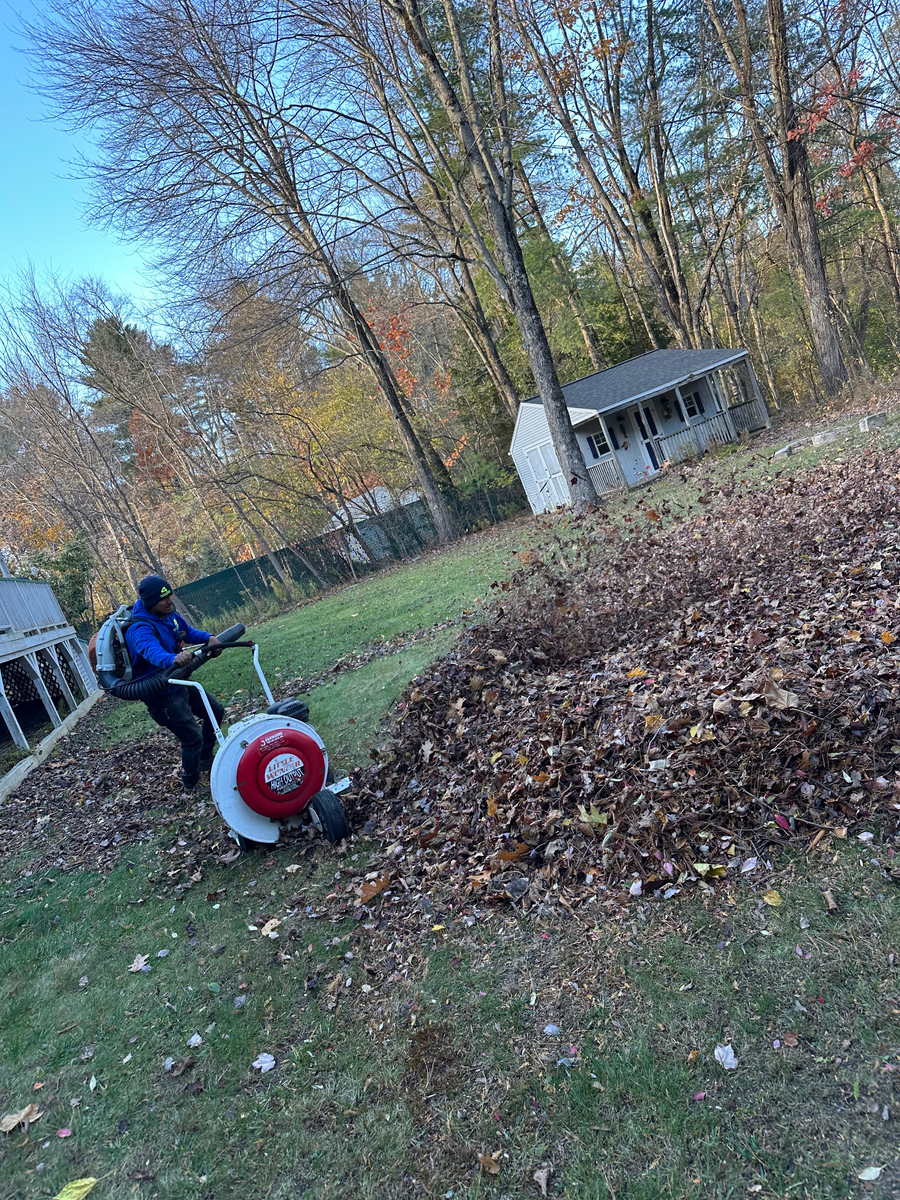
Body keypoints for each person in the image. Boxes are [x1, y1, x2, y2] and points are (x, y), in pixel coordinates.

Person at [125, 574, 224, 792]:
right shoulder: (139, 628)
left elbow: (187, 632)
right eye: (163, 598)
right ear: (151, 602)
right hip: (161, 696)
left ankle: (205, 760)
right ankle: (191, 784)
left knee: (215, 711)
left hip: (180, 683)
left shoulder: (170, 616)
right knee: (191, 738)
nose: (170, 600)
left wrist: (209, 637)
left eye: (170, 594)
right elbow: (149, 650)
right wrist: (172, 659)